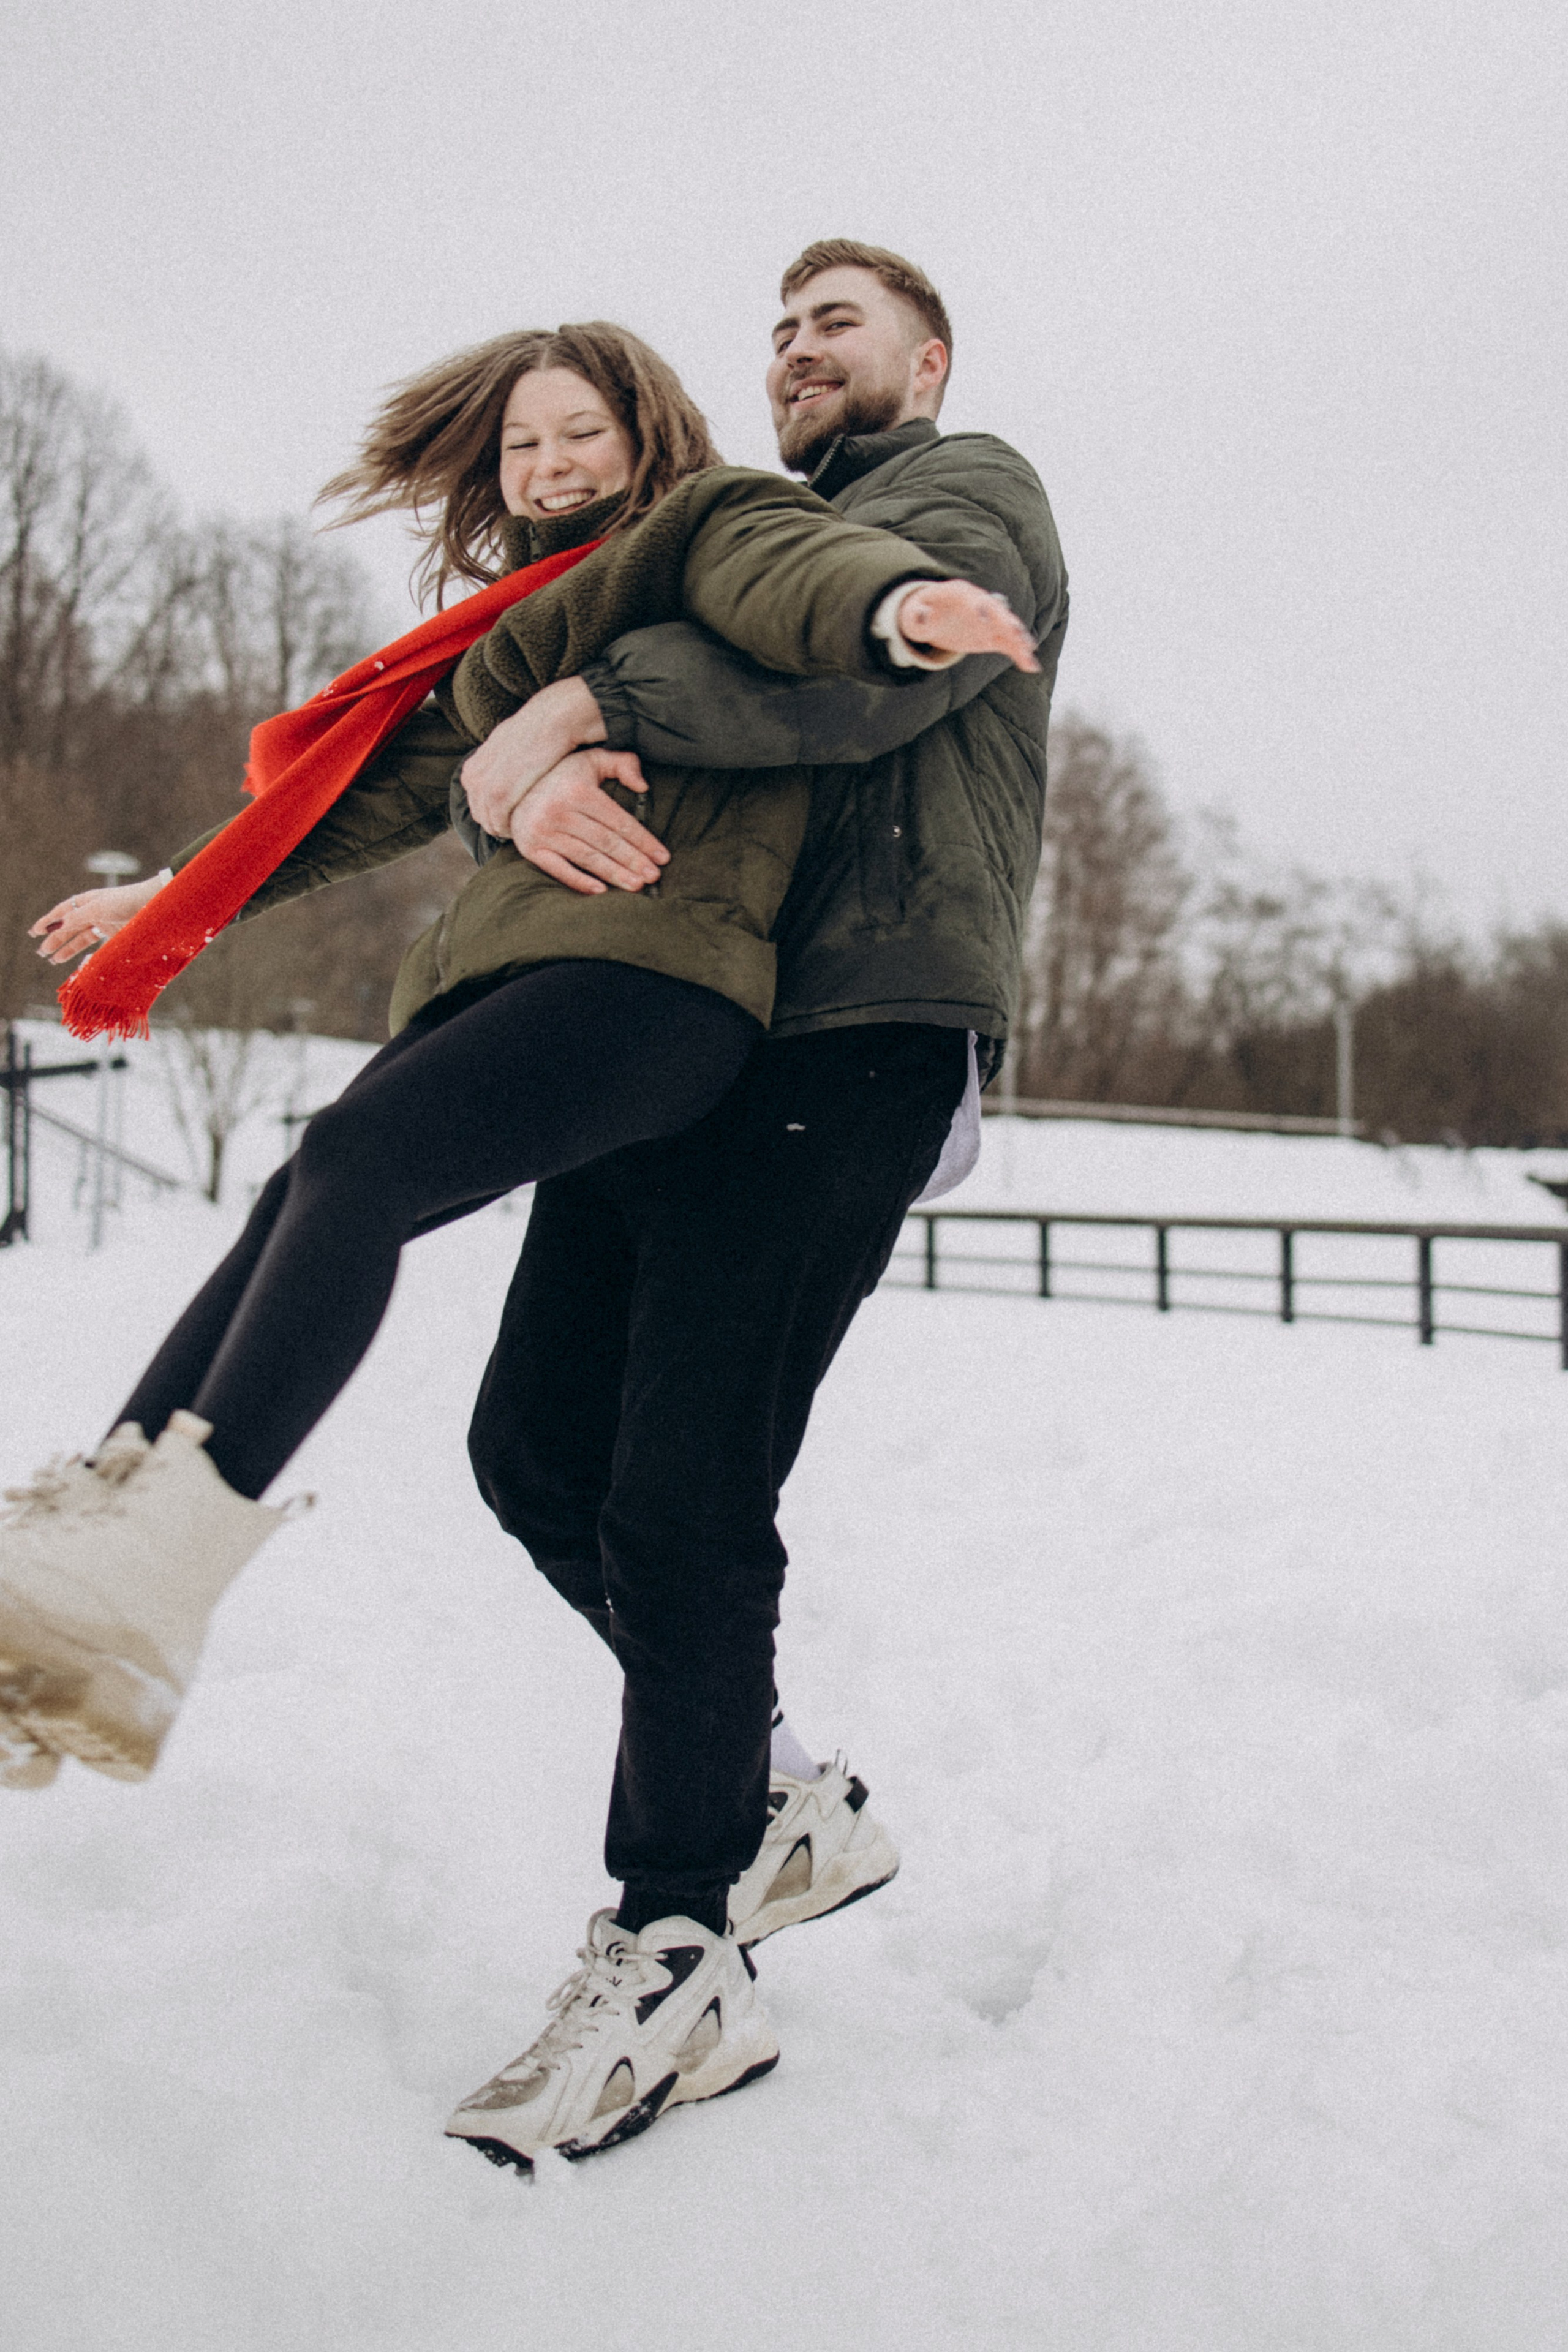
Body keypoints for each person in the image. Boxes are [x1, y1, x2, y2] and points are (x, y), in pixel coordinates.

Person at [1, 310, 1033, 1858]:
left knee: (354, 1164)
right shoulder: (506, 634)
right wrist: (170, 902)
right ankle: (97, 1545)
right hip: (527, 980)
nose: (549, 466)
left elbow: (797, 581)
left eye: (579, 436)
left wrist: (900, 607)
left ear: (644, 435)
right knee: (316, 1183)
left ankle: (154, 1554)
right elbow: (350, 799)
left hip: (655, 984)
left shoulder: (708, 519)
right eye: (521, 445)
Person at [429, 243, 1069, 2174]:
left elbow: (865, 689)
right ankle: (776, 1795)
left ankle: (681, 1945)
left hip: (858, 1030)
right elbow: (482, 750)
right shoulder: (749, 526)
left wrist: (571, 704)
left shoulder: (965, 495)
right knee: (533, 1445)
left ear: (928, 355)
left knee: (684, 1493)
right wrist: (495, 773)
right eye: (781, 328)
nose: (800, 349)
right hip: (696, 1025)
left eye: (841, 321)